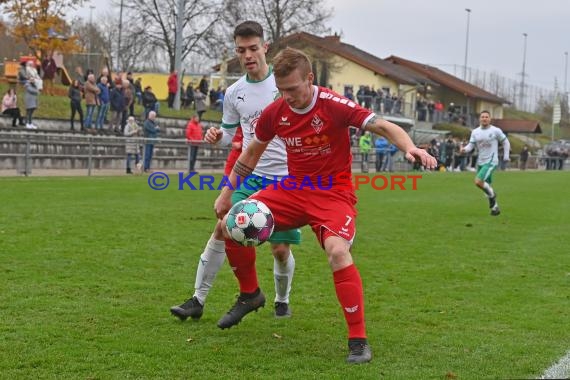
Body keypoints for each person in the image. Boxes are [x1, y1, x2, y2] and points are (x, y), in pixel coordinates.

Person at [212, 47, 436, 364]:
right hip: (293, 189)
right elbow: (250, 155)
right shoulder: (276, 113)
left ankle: (358, 341)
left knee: (338, 251)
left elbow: (383, 126)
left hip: (333, 194)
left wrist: (411, 148)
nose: (287, 97)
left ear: (310, 78)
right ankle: (251, 294)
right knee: (228, 225)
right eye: (282, 90)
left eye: (293, 89)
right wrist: (226, 192)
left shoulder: (333, 105)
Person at [170, 21, 300, 325]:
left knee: (280, 250)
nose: (248, 55)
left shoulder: (283, 85)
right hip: (251, 175)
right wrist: (217, 135)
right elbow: (231, 135)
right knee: (223, 224)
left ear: (265, 47)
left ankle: (282, 299)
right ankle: (198, 300)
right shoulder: (233, 93)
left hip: (286, 179)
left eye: (253, 48)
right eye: (241, 50)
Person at [460, 110, 510, 216]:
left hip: (491, 161)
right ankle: (495, 208)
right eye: (482, 117)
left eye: (486, 117)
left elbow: (505, 142)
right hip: (481, 162)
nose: (484, 118)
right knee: (486, 187)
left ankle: (493, 196)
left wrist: (506, 156)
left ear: (490, 119)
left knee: (478, 182)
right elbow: (471, 146)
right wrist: (464, 149)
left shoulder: (495, 131)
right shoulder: (475, 132)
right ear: (479, 119)